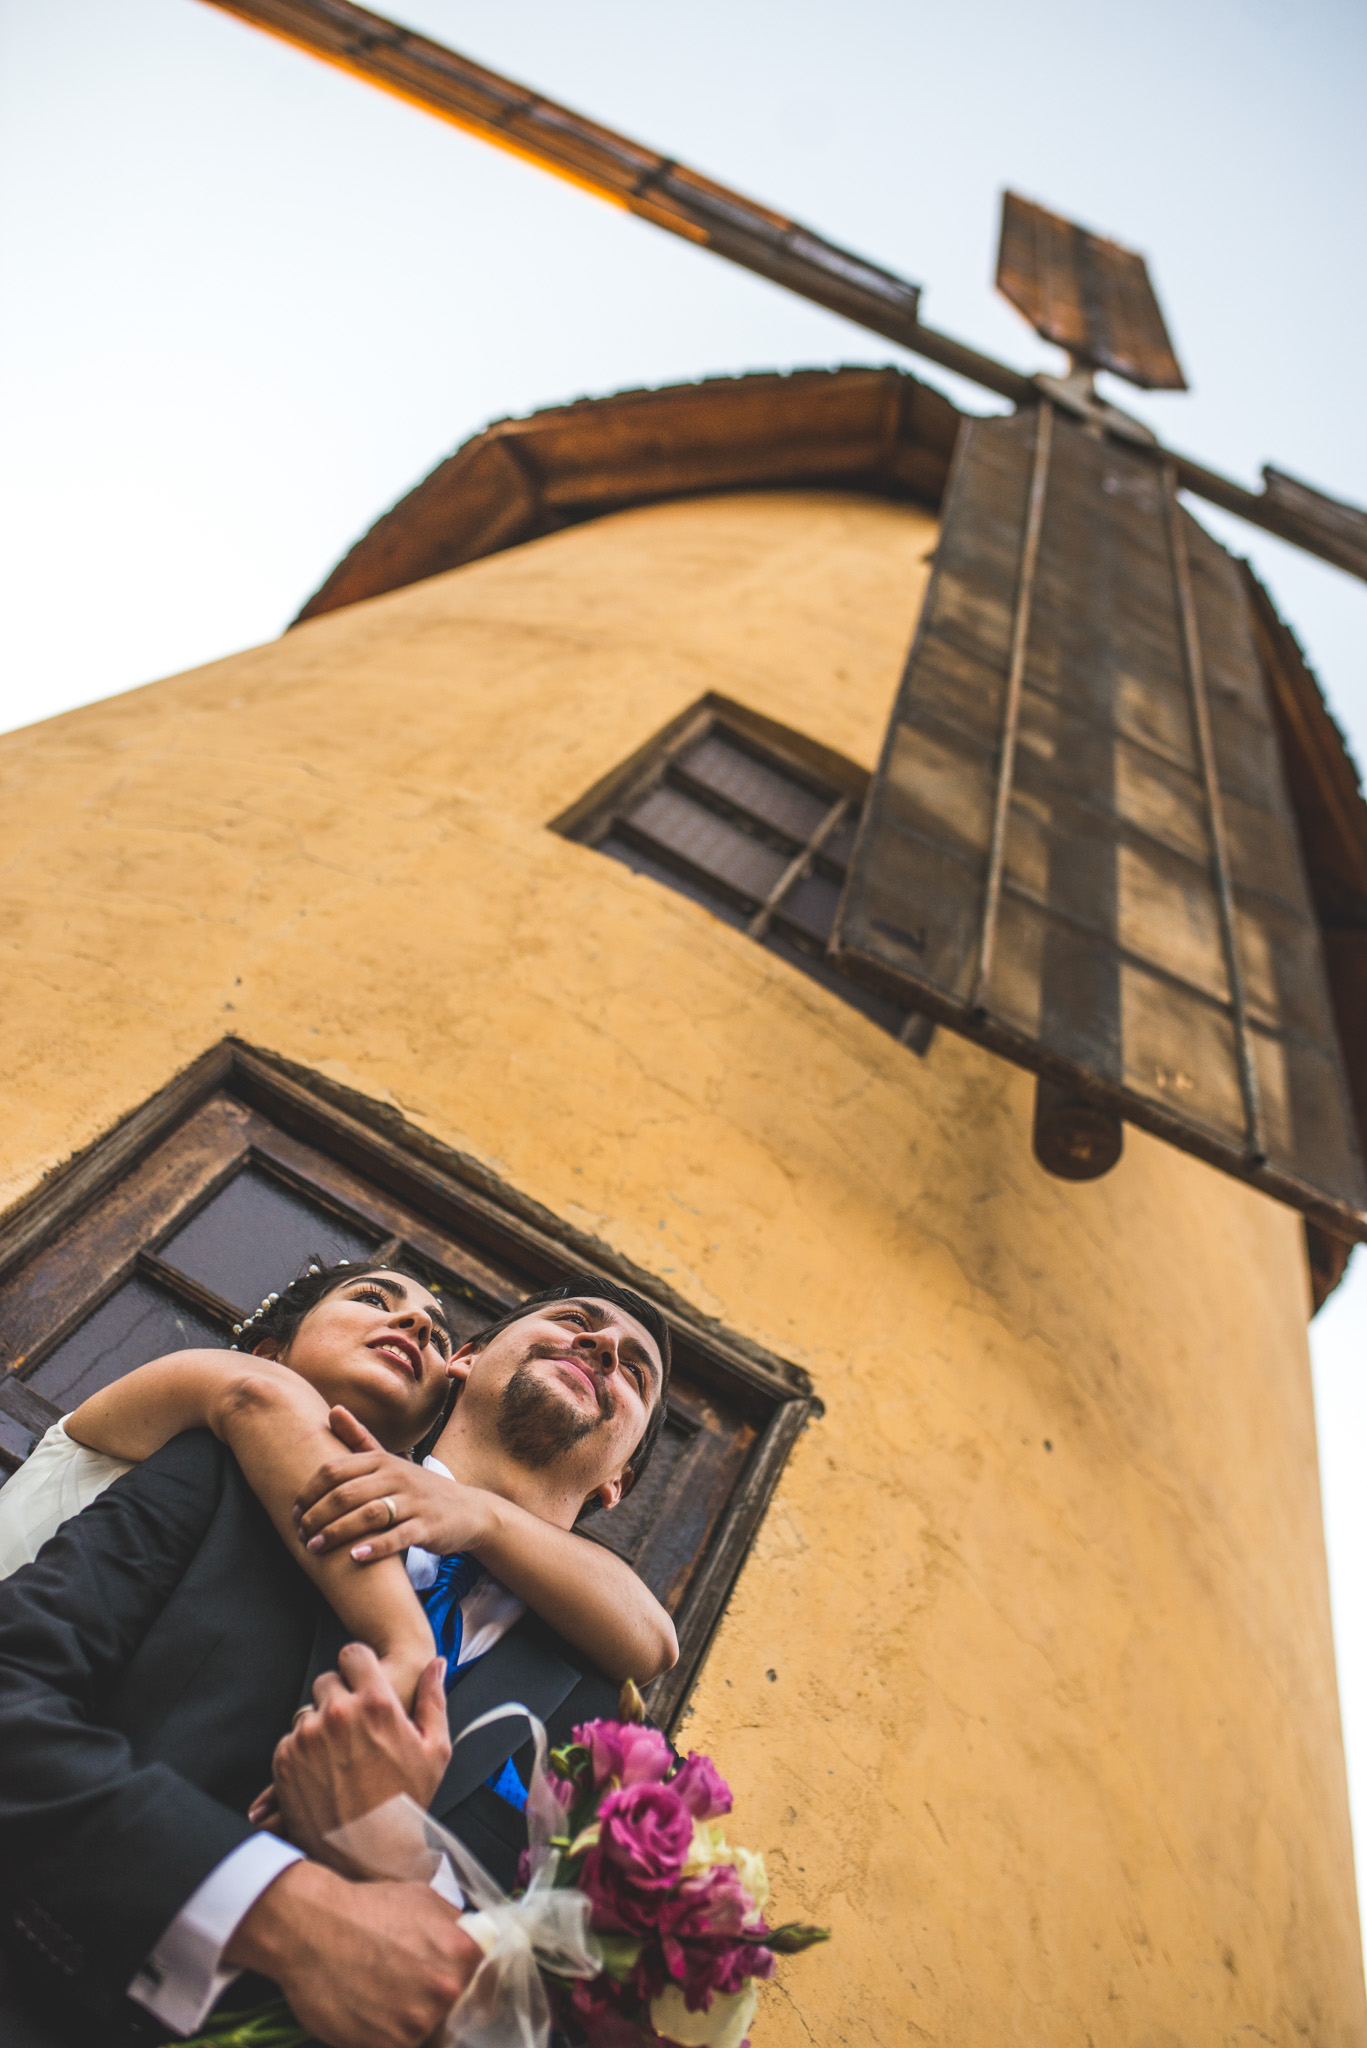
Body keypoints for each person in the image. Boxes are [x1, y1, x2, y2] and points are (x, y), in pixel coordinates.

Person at [0, 1265, 673, 2048]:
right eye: (574, 1320)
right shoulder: (231, 1468)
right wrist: (271, 1904)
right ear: (466, 1359)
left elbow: (579, 2022)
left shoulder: (614, 1734)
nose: (602, 1347)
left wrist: (399, 1864)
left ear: (617, 1482)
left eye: (636, 1372)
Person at [0, 1261, 677, 1701]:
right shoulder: (225, 1429)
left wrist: (477, 1514)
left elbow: (653, 1641)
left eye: (435, 1336)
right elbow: (257, 1400)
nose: (412, 1323)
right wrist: (404, 1643)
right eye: (372, 1298)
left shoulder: (587, 1662)